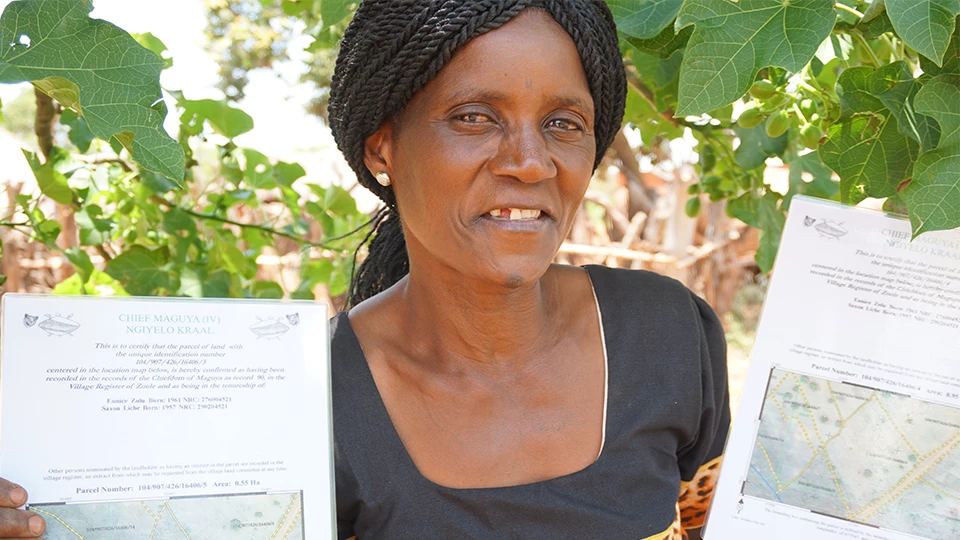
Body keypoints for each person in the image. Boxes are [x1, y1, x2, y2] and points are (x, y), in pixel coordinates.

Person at [0, 1, 729, 539]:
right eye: (475, 116)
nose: (530, 162)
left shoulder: (668, 335)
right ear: (382, 149)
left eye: (564, 123)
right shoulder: (304, 408)